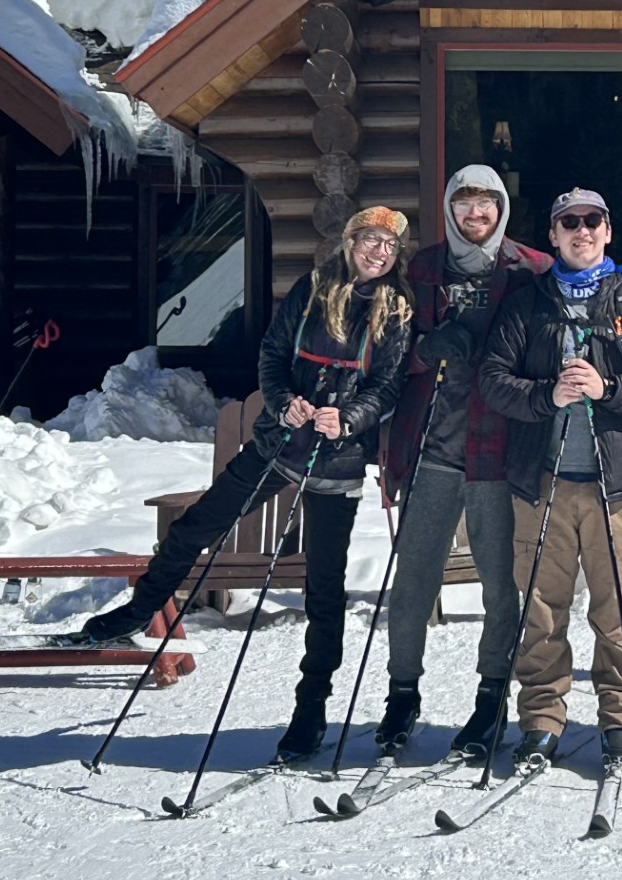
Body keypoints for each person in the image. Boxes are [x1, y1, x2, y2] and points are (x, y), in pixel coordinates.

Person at [82, 206, 413, 759]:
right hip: (277, 445)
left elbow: (387, 386)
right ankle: (139, 613)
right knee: (194, 526)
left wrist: (349, 417)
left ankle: (310, 713)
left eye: (390, 246)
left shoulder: (396, 311)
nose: (379, 252)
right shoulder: (312, 290)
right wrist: (284, 405)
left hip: (336, 463)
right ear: (351, 240)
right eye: (371, 240)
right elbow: (273, 357)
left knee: (324, 594)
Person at [477, 188, 622, 765]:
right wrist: (548, 394)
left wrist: (608, 388)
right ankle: (542, 718)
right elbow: (493, 381)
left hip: (614, 487)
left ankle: (621, 719)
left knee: (616, 608)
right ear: (553, 234)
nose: (582, 231)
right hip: (542, 483)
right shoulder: (527, 304)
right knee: (542, 608)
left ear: (608, 231)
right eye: (569, 222)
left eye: (593, 221)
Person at [376, 166, 552, 757]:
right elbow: (385, 355)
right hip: (432, 449)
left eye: (486, 204)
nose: (475, 215)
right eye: (464, 203)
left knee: (500, 588)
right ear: (449, 207)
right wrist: (427, 351)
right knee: (413, 582)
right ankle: (402, 694)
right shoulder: (421, 269)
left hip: (500, 455)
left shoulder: (531, 270)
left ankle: (490, 698)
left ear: (502, 208)